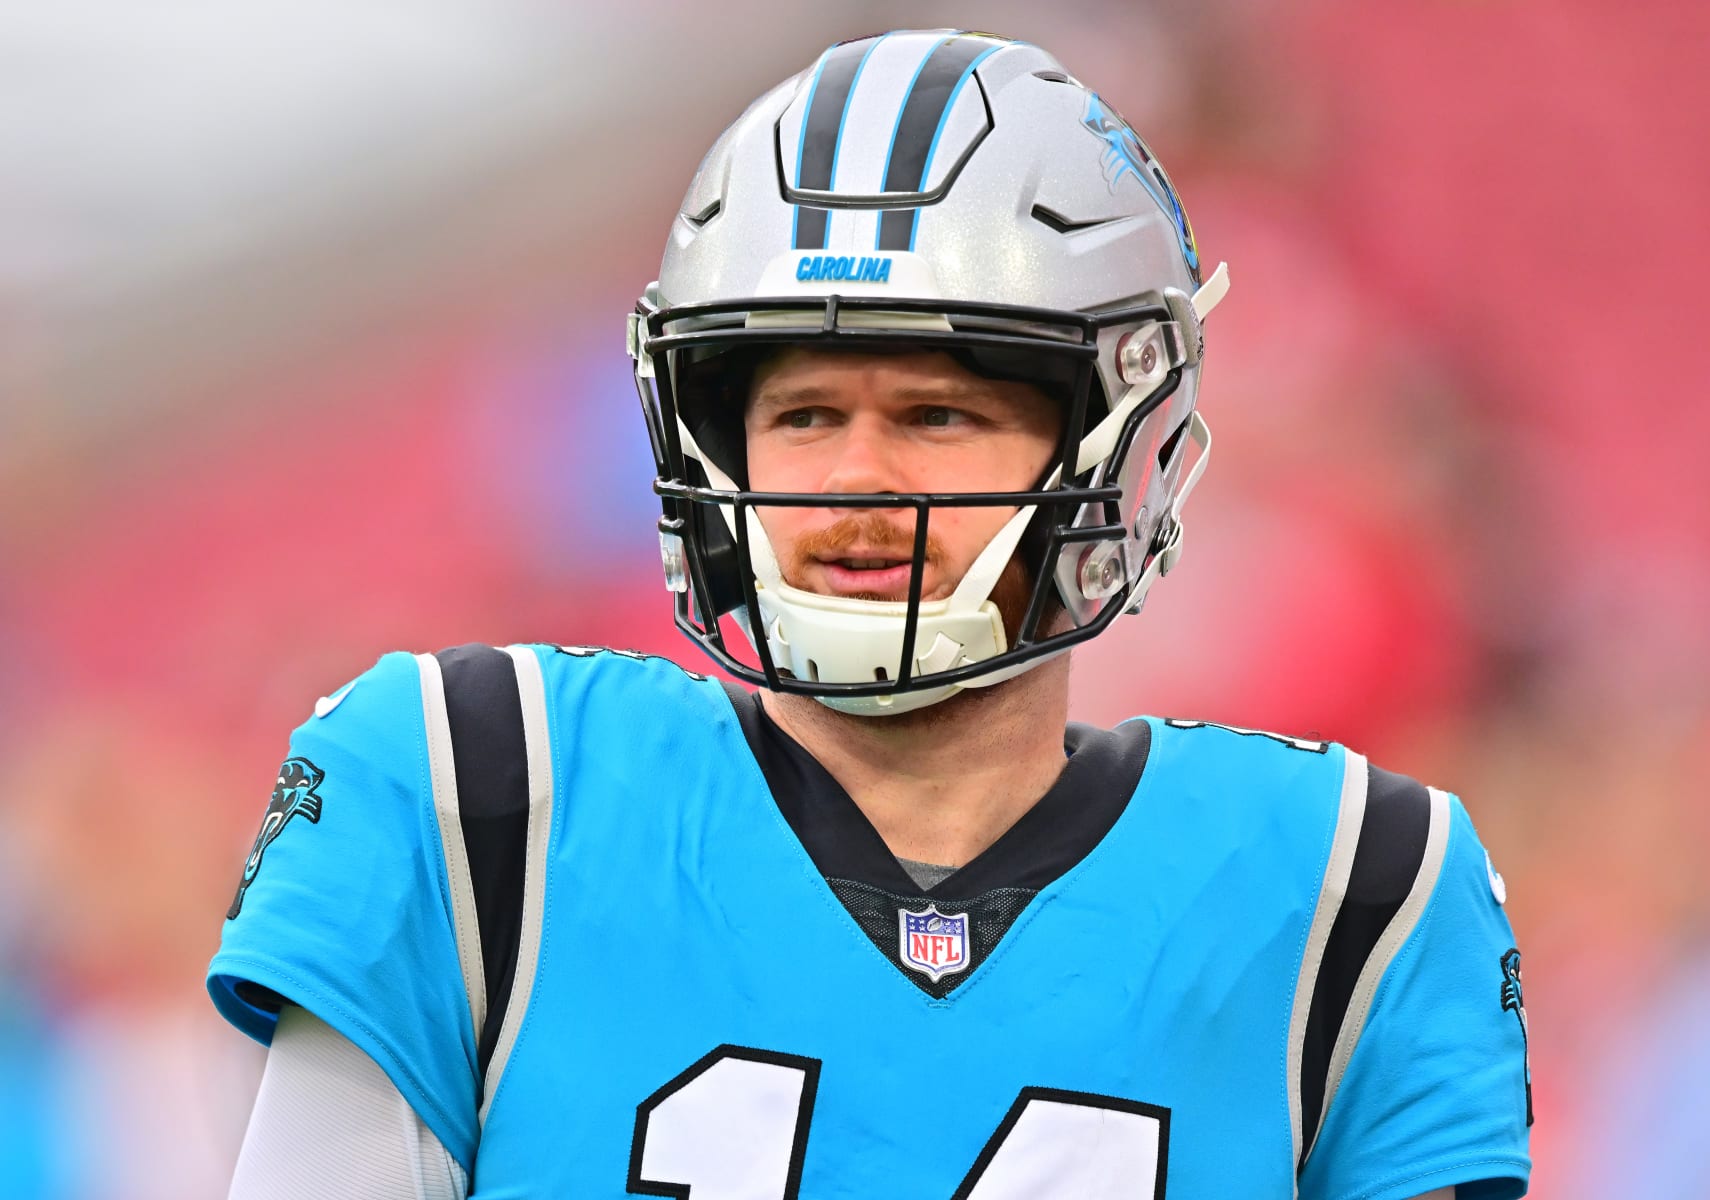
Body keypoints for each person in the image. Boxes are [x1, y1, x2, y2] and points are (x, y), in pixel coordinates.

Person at [210, 29, 1532, 1199]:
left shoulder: (1352, 890)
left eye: (937, 414)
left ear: (1112, 450)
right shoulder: (480, 792)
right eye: (801, 414)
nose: (856, 478)